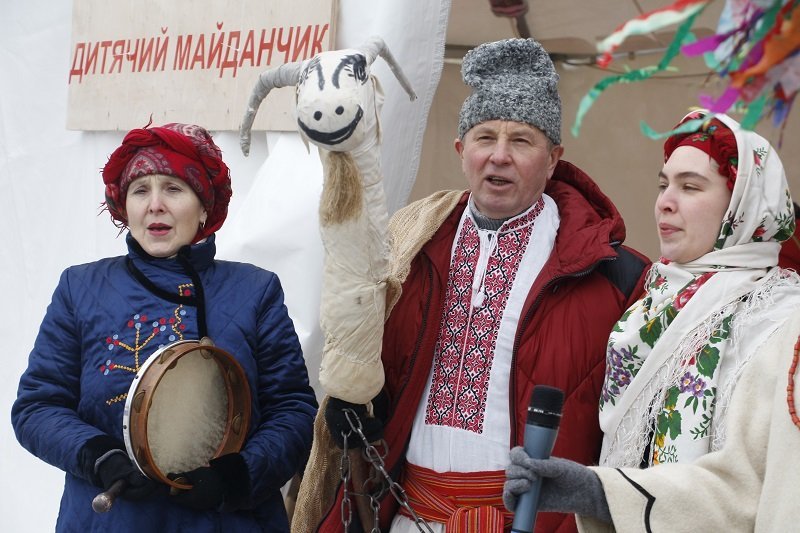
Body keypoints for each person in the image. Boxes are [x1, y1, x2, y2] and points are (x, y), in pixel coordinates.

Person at [296, 38, 650, 533]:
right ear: (462, 150)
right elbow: (369, 356)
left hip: (531, 523)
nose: (498, 157)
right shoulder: (408, 247)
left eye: (521, 141)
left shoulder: (616, 276)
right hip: (409, 513)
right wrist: (352, 405)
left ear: (553, 159)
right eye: (485, 138)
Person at [11, 123, 318, 532]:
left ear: (204, 206)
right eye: (141, 191)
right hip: (112, 521)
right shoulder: (80, 288)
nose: (155, 204)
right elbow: (37, 406)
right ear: (125, 208)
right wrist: (97, 455)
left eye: (173, 189)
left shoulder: (255, 291)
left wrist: (237, 476)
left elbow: (294, 410)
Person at [503, 111, 800, 531]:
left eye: (690, 187)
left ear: (743, 206)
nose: (665, 200)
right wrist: (589, 489)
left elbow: (758, 488)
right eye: (663, 184)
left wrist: (600, 491)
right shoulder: (653, 304)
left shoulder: (781, 323)